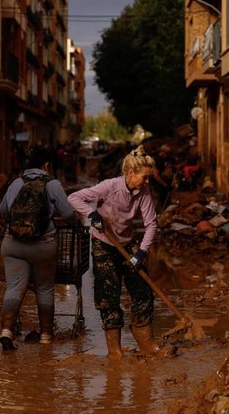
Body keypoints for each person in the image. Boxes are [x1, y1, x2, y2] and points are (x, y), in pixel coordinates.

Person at [67, 145, 159, 359]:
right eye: (144, 177)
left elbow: (151, 224)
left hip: (127, 244)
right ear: (130, 173)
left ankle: (146, 341)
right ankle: (115, 351)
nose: (147, 182)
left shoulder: (143, 192)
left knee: (143, 291)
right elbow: (74, 197)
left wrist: (141, 253)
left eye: (148, 178)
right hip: (104, 244)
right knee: (108, 296)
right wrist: (93, 215)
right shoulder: (109, 187)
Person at [0, 146, 75, 350]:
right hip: (43, 247)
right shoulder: (53, 184)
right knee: (44, 288)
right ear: (46, 165)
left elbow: (3, 211)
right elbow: (67, 214)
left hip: (13, 244)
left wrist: (18, 226)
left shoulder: (15, 183)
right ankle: (46, 335)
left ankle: (6, 330)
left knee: (14, 287)